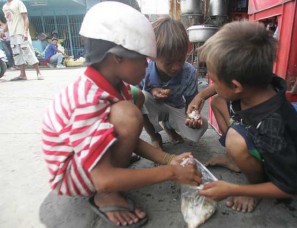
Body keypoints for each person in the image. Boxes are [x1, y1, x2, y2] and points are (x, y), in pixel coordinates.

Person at [41, 2, 202, 227]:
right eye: (143, 60)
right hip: (71, 175)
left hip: (83, 160)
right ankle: (105, 197)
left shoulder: (115, 84)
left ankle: (112, 163)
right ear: (117, 57)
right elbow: (104, 179)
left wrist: (168, 159)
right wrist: (171, 172)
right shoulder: (88, 100)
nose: (147, 67)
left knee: (135, 99)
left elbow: (132, 138)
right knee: (129, 114)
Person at [194, 21, 297, 213]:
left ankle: (255, 188)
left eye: (214, 80)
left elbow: (288, 187)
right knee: (217, 101)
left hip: (285, 167)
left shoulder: (271, 127)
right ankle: (235, 159)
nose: (211, 84)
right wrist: (201, 95)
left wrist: (233, 189)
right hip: (255, 131)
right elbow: (220, 91)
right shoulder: (259, 84)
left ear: (236, 87)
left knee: (235, 140)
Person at [139, 17, 208, 149]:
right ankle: (155, 136)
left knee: (201, 126)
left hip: (176, 108)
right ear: (153, 55)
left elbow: (191, 103)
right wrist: (151, 90)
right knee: (142, 97)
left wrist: (193, 116)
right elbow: (132, 96)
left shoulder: (189, 72)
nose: (176, 67)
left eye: (181, 60)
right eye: (169, 62)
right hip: (153, 107)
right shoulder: (144, 69)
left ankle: (169, 127)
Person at [1, 0, 43, 81]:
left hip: (21, 32)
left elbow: (25, 17)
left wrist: (26, 31)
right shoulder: (5, 7)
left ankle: (38, 73)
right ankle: (22, 75)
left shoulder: (18, 3)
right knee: (17, 54)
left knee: (28, 51)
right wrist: (3, 31)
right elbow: (9, 21)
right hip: (12, 34)